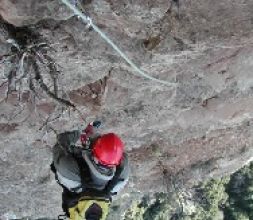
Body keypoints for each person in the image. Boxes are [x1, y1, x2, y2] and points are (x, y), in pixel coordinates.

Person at [51, 121, 129, 220]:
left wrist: (76, 133)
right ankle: (88, 135)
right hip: (79, 182)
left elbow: (60, 146)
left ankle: (86, 134)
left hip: (75, 182)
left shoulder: (124, 171)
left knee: (64, 151)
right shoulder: (122, 172)